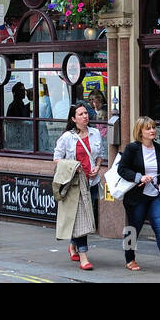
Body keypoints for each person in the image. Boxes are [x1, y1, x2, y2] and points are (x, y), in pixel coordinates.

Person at [116, 116, 160, 274]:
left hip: (155, 195)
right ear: (140, 132)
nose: (152, 130)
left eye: (153, 127)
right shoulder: (132, 148)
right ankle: (129, 259)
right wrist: (140, 177)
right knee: (133, 228)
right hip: (136, 197)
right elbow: (122, 169)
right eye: (148, 128)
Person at [53, 101, 104, 269]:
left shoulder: (95, 133)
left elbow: (99, 155)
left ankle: (73, 243)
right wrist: (73, 167)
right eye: (81, 114)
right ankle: (84, 257)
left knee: (88, 218)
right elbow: (57, 158)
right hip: (76, 184)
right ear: (73, 119)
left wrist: (97, 166)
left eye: (86, 113)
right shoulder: (68, 137)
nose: (85, 116)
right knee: (81, 219)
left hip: (93, 182)